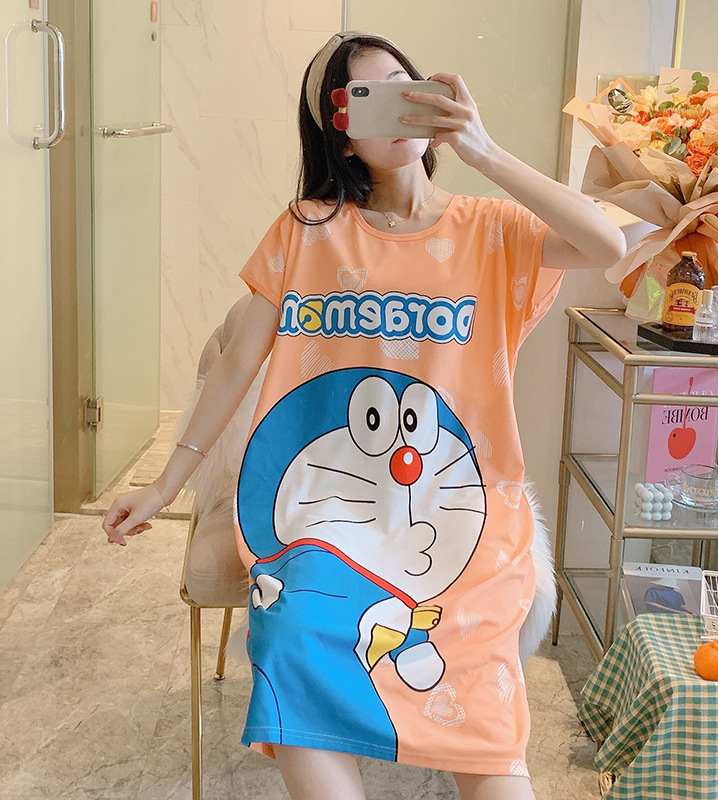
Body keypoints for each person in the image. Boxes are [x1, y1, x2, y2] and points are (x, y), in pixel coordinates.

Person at [103, 31, 626, 800]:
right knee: (293, 636)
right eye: (366, 98)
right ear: (342, 134)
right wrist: (164, 484)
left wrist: (484, 151)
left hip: (460, 519)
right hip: (332, 518)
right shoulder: (307, 230)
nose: (395, 109)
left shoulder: (491, 229)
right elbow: (238, 363)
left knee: (483, 705)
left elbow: (606, 242)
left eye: (406, 88)